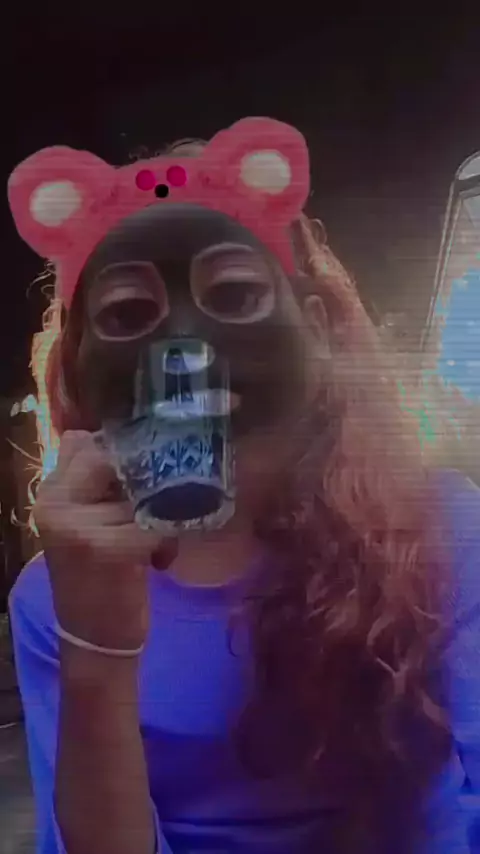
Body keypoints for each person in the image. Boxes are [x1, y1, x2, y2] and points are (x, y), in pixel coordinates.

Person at [6, 118, 480, 854]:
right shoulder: (53, 599)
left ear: (316, 328)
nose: (184, 345)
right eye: (127, 313)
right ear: (76, 364)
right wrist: (95, 646)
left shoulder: (444, 529)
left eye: (232, 293)